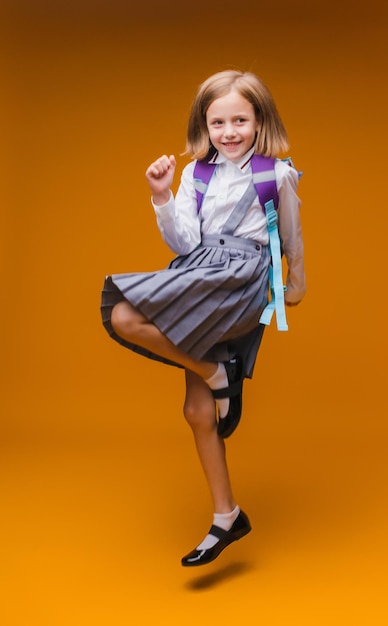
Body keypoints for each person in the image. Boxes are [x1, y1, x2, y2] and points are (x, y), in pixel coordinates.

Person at [101, 69, 306, 567]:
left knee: (135, 316)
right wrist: (161, 195)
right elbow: (186, 244)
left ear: (259, 121)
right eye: (218, 122)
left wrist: (294, 287)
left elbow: (292, 236)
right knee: (195, 409)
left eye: (240, 119)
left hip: (240, 280)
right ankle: (226, 516)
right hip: (200, 270)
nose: (229, 131)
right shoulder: (197, 173)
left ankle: (219, 374)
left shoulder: (275, 174)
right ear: (204, 124)